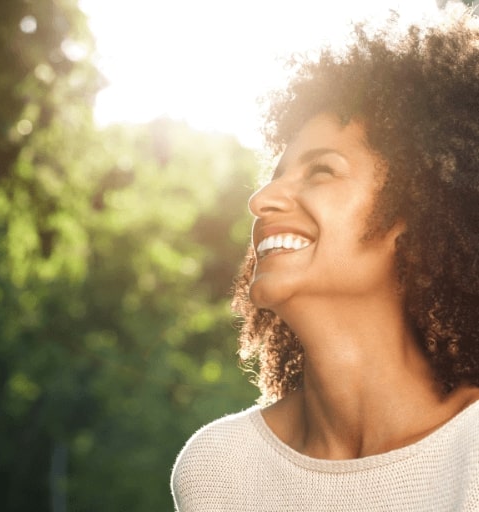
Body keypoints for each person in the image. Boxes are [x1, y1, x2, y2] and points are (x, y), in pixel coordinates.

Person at [171, 8, 479, 511]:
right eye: (275, 174)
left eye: (320, 172)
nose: (262, 198)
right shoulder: (220, 468)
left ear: (419, 214)